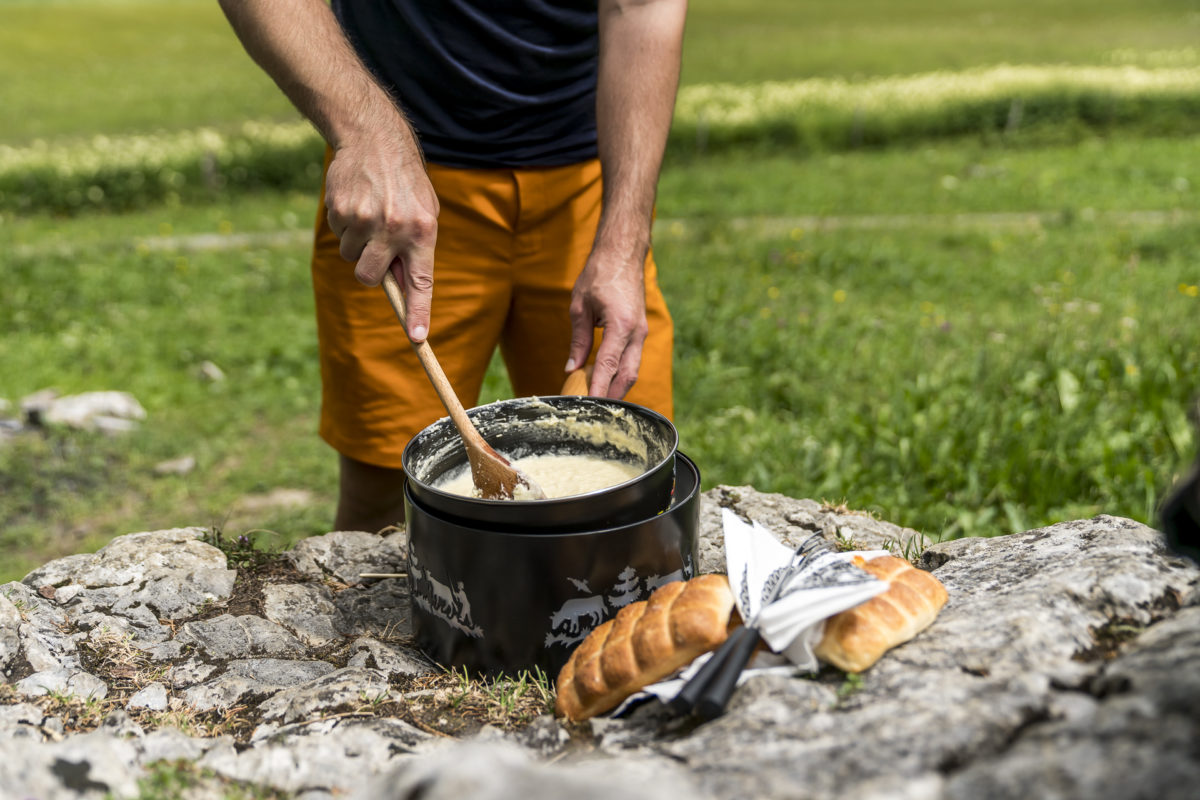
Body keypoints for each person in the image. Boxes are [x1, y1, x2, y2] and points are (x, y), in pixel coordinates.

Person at [218, 0, 686, 532]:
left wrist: (624, 241)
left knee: (636, 480)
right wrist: (366, 132)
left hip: (593, 188)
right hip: (402, 191)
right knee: (384, 493)